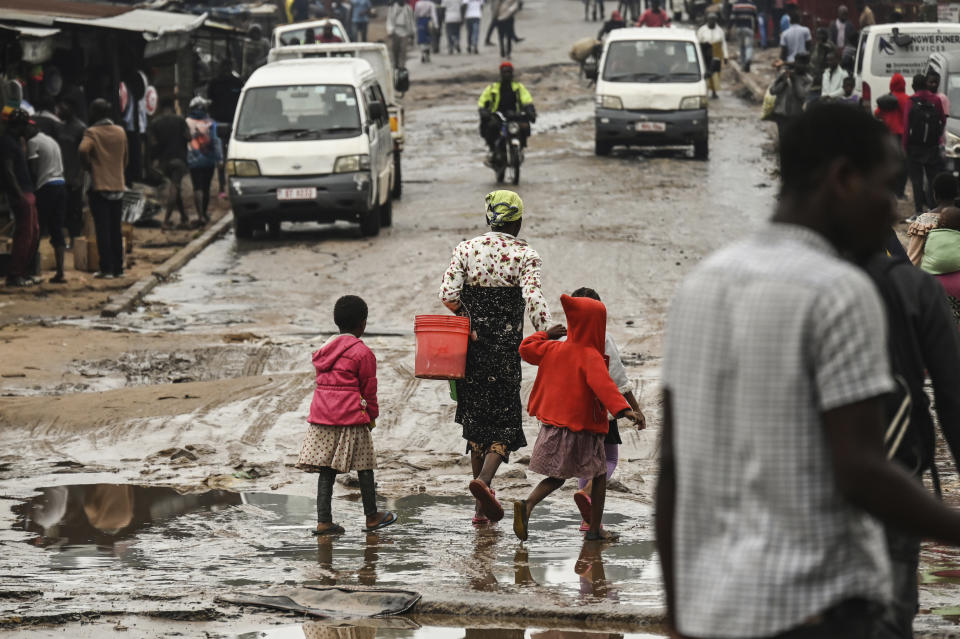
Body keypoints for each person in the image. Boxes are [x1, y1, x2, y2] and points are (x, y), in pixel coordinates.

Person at [657, 102, 960, 639]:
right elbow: (861, 469)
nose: (892, 209)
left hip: (716, 610)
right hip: (820, 608)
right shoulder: (840, 291)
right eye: (887, 188)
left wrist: (680, 613)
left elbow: (674, 470)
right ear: (843, 179)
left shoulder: (700, 286)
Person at [438, 190, 560, 525]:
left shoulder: (467, 249)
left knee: (476, 422)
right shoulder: (525, 255)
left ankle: (480, 511)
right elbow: (533, 298)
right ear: (518, 222)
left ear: (488, 218)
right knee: (503, 424)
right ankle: (484, 483)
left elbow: (447, 295)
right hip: (506, 351)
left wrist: (470, 318)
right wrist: (548, 331)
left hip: (472, 351)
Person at [868, 225, 960, 638]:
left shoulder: (764, 278)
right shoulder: (910, 286)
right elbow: (952, 399)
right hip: (896, 474)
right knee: (892, 606)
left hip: (797, 493)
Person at [513, 294, 643, 543]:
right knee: (600, 475)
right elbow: (605, 386)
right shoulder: (590, 354)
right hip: (584, 428)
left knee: (558, 476)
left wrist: (546, 334)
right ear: (596, 325)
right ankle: (595, 530)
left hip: (553, 426)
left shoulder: (553, 347)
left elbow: (525, 348)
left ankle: (527, 504)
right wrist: (625, 410)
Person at [296, 295, 399, 536]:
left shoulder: (323, 350)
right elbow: (369, 390)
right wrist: (372, 415)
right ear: (362, 324)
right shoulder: (363, 353)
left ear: (337, 322)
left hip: (322, 416)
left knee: (326, 469)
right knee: (364, 466)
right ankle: (372, 516)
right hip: (351, 416)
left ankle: (324, 521)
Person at [567, 287, 645, 534]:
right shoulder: (604, 339)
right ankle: (588, 493)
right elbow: (619, 379)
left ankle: (587, 520)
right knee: (609, 459)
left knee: (584, 464)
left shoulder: (566, 338)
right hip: (603, 413)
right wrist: (636, 409)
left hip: (576, 413)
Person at [79, 99, 127, 280]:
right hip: (118, 185)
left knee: (102, 229)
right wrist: (117, 171)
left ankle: (106, 269)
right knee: (116, 228)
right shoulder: (121, 131)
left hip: (99, 186)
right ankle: (119, 269)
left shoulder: (92, 132)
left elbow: (83, 150)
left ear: (95, 113)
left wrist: (89, 166)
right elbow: (125, 157)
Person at [1, 109, 39, 287]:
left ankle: (22, 271)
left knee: (33, 232)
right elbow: (8, 171)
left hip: (26, 190)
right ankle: (15, 274)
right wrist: (18, 194)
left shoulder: (16, 141)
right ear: (20, 126)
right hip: (21, 192)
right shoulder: (7, 142)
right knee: (25, 234)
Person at [25, 120, 67, 283]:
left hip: (46, 187)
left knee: (37, 228)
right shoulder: (51, 140)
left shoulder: (32, 142)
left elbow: (34, 170)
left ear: (32, 128)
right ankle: (61, 272)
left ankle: (33, 271)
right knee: (57, 229)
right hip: (60, 184)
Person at [904, 71, 946, 215]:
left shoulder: (910, 101)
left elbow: (906, 127)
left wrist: (905, 147)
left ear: (914, 86)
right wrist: (937, 137)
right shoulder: (936, 99)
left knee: (916, 181)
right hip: (932, 146)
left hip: (914, 147)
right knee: (932, 179)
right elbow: (942, 120)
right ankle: (933, 209)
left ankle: (918, 211)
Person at [477, 62, 536, 163]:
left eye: (509, 72)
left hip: (514, 116)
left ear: (512, 73)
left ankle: (521, 147)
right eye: (504, 72)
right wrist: (483, 110)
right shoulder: (493, 88)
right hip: (498, 116)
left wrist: (529, 110)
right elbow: (483, 100)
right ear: (501, 73)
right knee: (491, 126)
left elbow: (527, 99)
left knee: (525, 126)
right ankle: (492, 149)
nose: (507, 74)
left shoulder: (518, 88)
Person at [148, 97, 191, 229]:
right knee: (174, 187)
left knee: (175, 187)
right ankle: (166, 221)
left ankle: (184, 216)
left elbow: (153, 143)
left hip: (164, 162)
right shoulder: (180, 120)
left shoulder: (155, 123)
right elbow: (188, 137)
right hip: (179, 159)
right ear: (173, 107)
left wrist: (154, 160)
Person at [208, 60, 243, 201]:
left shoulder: (237, 83)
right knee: (221, 158)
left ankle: (232, 186)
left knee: (234, 156)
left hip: (234, 125)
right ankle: (223, 187)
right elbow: (210, 102)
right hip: (219, 123)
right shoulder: (215, 83)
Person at [185, 97, 222, 225]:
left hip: (193, 159)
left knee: (197, 187)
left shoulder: (187, 122)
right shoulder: (211, 123)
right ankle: (205, 214)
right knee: (206, 187)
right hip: (209, 160)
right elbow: (216, 141)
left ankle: (200, 214)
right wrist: (219, 159)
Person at [907, 172, 957, 264]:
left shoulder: (924, 221)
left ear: (934, 194)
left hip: (931, 276)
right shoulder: (957, 218)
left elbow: (913, 257)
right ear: (957, 194)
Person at [55, 97, 86, 245]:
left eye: (63, 108)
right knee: (63, 210)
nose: (60, 111)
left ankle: (75, 239)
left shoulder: (80, 128)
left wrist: (79, 177)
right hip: (61, 176)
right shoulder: (60, 127)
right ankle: (67, 239)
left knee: (75, 210)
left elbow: (85, 156)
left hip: (74, 177)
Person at [769, 53, 812, 139]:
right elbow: (772, 91)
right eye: (798, 63)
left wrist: (795, 80)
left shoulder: (808, 80)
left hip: (795, 114)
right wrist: (784, 81)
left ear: (807, 65)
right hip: (781, 112)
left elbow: (801, 96)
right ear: (795, 62)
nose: (800, 66)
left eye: (804, 64)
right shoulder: (785, 73)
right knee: (783, 138)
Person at [697, 14, 727, 100]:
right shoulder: (702, 30)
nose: (712, 22)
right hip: (705, 53)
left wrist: (725, 56)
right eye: (710, 20)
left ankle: (714, 91)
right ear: (707, 20)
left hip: (717, 53)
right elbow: (698, 42)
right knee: (705, 72)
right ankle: (704, 90)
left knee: (715, 73)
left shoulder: (720, 31)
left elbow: (723, 43)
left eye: (714, 20)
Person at [387, 0, 416, 69]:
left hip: (405, 31)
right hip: (395, 30)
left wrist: (412, 33)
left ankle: (402, 66)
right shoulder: (392, 7)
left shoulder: (409, 8)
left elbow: (411, 21)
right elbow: (389, 20)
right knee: (395, 50)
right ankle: (395, 65)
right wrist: (390, 31)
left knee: (403, 50)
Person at [730, 0, 757, 72]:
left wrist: (729, 28)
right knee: (749, 46)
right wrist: (756, 29)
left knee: (742, 47)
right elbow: (755, 17)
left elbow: (732, 18)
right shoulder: (751, 5)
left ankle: (743, 64)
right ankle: (748, 59)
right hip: (749, 28)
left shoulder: (736, 5)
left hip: (739, 29)